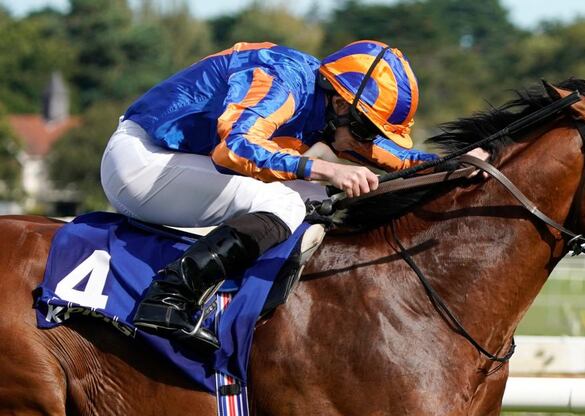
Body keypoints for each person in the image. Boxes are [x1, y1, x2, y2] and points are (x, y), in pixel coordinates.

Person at [101, 40, 483, 352]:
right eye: (367, 131)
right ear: (339, 105)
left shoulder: (330, 104)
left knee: (311, 195)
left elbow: (389, 156)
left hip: (179, 162)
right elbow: (234, 148)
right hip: (142, 162)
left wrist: (455, 162)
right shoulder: (278, 78)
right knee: (288, 201)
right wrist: (328, 168)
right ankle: (170, 297)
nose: (368, 145)